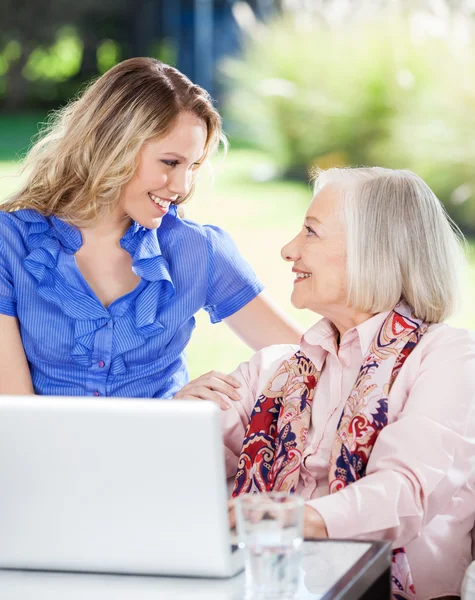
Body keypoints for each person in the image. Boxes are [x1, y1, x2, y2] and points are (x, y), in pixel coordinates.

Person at [175, 167, 475, 600]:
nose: (287, 249)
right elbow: (192, 468)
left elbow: (404, 493)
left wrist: (287, 518)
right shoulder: (275, 368)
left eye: (311, 232)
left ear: (376, 248)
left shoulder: (448, 357)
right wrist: (179, 422)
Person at [0, 57, 302, 398]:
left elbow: (305, 361)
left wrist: (197, 407)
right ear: (113, 145)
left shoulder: (197, 250)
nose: (183, 186)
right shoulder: (10, 244)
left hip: (166, 451)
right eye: (170, 163)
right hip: (42, 450)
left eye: (193, 166)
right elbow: (13, 412)